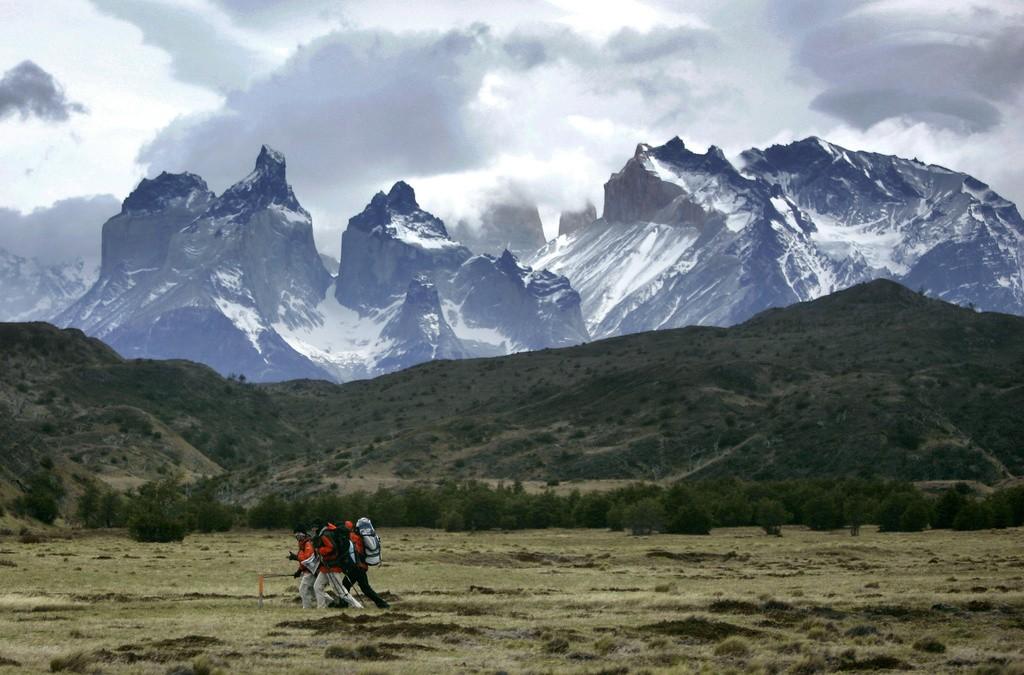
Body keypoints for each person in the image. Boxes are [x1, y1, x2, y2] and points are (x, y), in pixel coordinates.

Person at [341, 519, 390, 609]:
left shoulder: (352, 537)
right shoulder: (355, 536)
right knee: (356, 586)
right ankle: (382, 604)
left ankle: (383, 604)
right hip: (360, 566)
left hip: (358, 567)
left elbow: (356, 552)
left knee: (355, 586)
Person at [311, 521, 361, 609]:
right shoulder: (326, 533)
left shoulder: (324, 535)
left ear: (317, 527)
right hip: (326, 566)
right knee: (317, 586)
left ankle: (357, 606)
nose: (312, 529)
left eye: (314, 527)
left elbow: (331, 547)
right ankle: (321, 608)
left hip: (332, 566)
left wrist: (319, 550)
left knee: (339, 591)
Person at [286, 525, 317, 609]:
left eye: (298, 535)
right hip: (308, 570)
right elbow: (303, 560)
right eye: (295, 535)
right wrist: (299, 571)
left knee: (303, 589)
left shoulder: (308, 543)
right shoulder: (302, 543)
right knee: (314, 590)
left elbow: (308, 559)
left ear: (303, 534)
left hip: (311, 571)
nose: (297, 537)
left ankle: (306, 608)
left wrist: (296, 558)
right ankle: (330, 602)